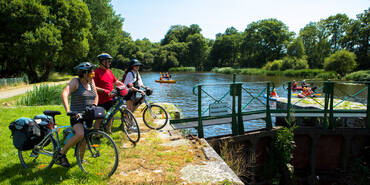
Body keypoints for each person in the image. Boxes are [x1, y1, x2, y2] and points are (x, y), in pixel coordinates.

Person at [60, 62, 99, 167]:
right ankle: (61, 153)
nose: (93, 75)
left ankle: (80, 160)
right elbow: (64, 93)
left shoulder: (91, 82)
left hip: (88, 114)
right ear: (84, 73)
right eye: (91, 73)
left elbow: (96, 95)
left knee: (85, 137)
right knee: (80, 134)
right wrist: (68, 110)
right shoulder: (75, 82)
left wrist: (94, 105)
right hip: (76, 115)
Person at [93, 53, 125, 134]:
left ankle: (108, 131)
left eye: (110, 61)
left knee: (111, 116)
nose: (109, 63)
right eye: (108, 61)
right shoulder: (96, 72)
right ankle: (96, 134)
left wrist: (124, 85)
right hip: (100, 100)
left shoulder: (109, 71)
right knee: (99, 118)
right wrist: (105, 91)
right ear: (102, 62)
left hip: (110, 99)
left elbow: (115, 81)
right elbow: (93, 87)